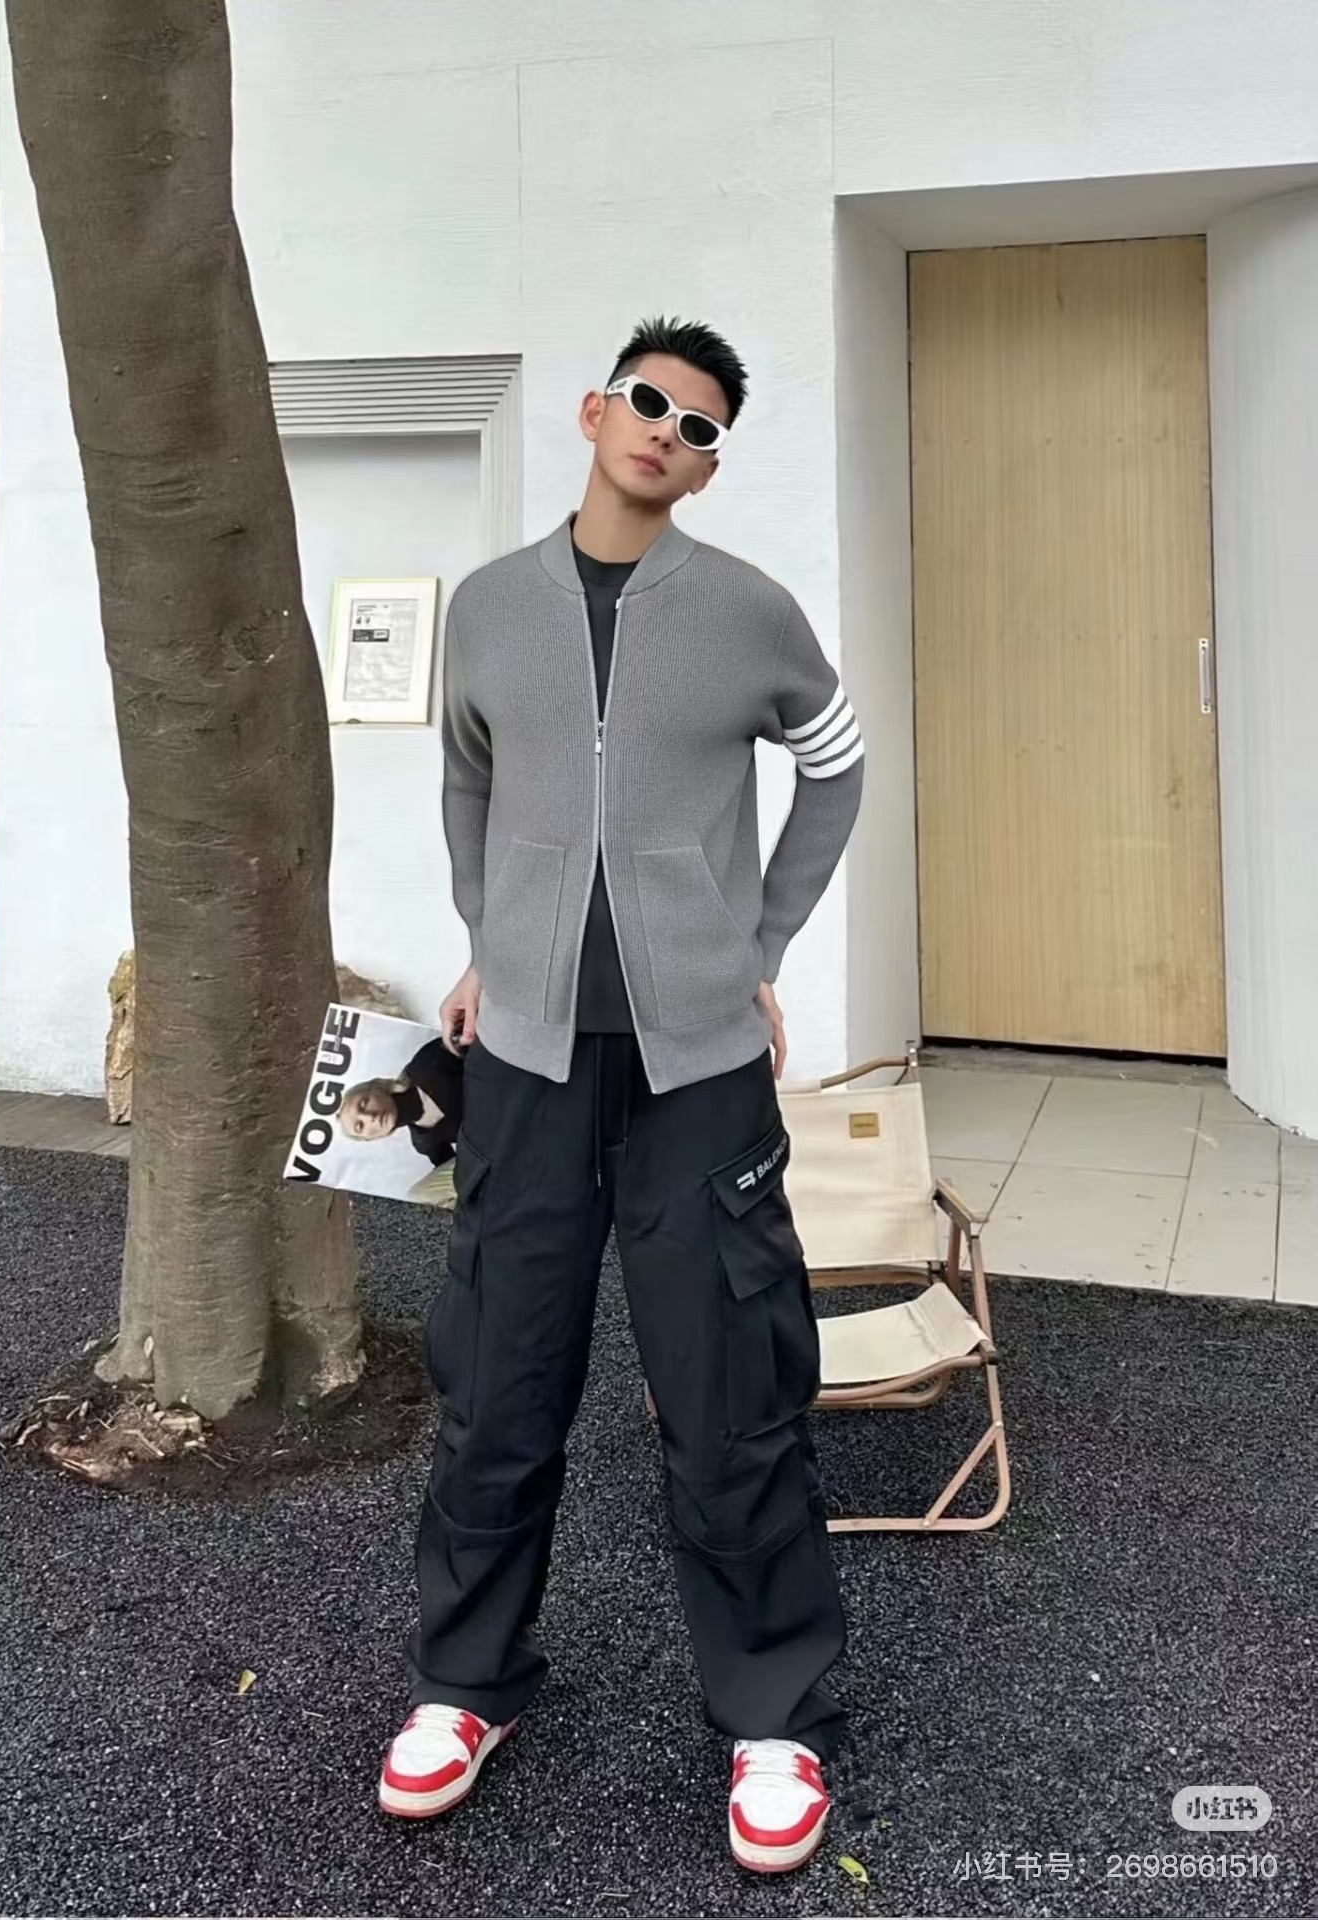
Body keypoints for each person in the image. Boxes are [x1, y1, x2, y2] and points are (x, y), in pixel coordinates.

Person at [379, 317, 865, 1874]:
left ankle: (773, 1714)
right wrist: (485, 939)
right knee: (498, 1380)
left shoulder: (747, 612)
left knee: (730, 1391)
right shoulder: (492, 609)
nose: (669, 430)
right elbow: (468, 775)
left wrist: (759, 947)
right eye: (651, 402)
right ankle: (466, 1683)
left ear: (709, 468)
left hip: (697, 1070)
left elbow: (839, 764)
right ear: (595, 414)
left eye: (701, 426)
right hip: (525, 1058)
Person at [337, 1036, 465, 1167]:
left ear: (376, 1087)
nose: (370, 1117)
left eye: (364, 1104)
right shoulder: (424, 1143)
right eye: (360, 1126)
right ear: (370, 1138)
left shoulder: (426, 1063)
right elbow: (460, 1172)